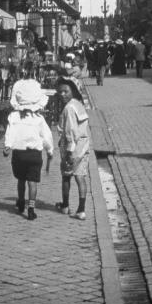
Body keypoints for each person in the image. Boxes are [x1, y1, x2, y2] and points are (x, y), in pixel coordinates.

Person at [4, 79, 53, 220]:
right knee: (33, 182)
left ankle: (20, 201)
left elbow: (10, 132)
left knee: (21, 180)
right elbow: (47, 137)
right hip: (34, 154)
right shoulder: (38, 119)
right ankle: (31, 207)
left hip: (19, 154)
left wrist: (7, 146)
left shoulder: (14, 116)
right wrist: (50, 151)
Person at [55, 77, 90, 220]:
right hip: (83, 146)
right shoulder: (78, 104)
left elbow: (70, 132)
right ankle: (81, 210)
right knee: (80, 177)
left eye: (66, 91)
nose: (63, 94)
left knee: (66, 176)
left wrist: (69, 152)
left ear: (73, 91)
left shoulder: (69, 108)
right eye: (60, 92)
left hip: (72, 147)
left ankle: (65, 206)